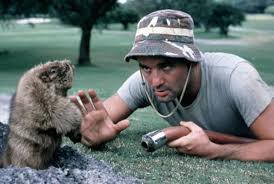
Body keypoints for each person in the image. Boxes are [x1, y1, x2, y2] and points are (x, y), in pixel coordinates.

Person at [70, 9, 274, 162]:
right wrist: (88, 134)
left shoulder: (237, 78)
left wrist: (217, 151)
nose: (155, 81)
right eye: (145, 67)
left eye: (166, 66)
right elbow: (101, 120)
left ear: (192, 60)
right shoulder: (144, 80)